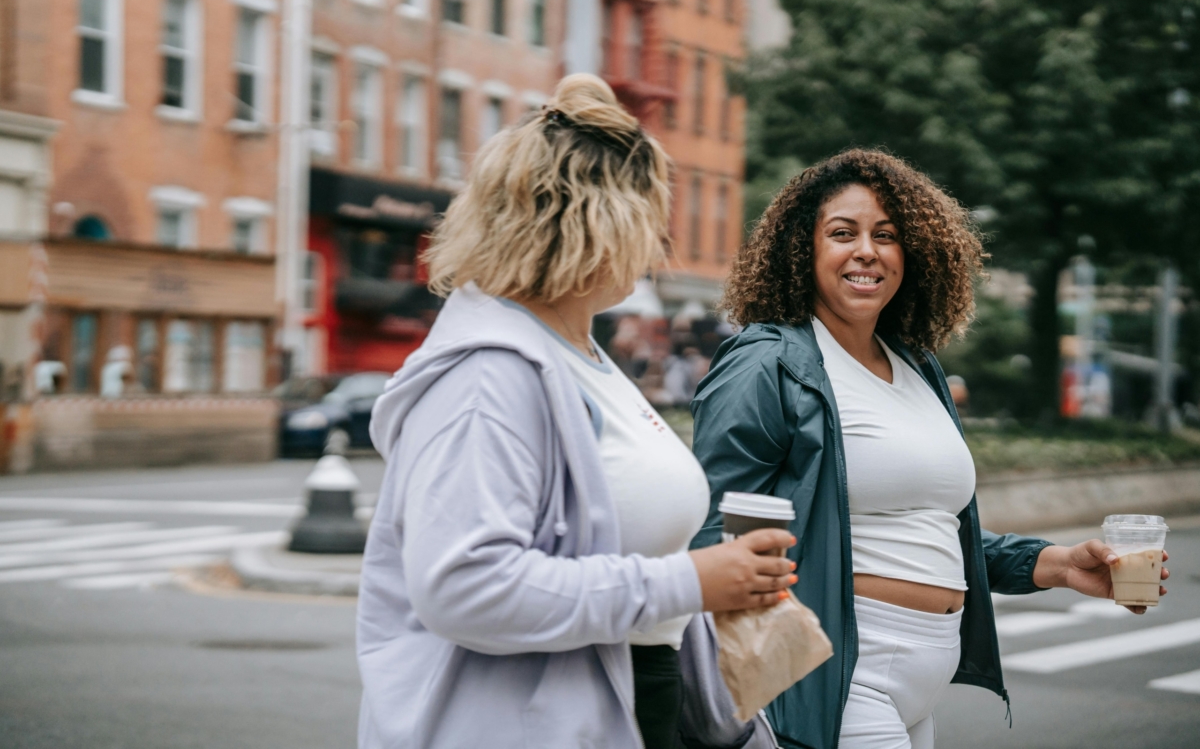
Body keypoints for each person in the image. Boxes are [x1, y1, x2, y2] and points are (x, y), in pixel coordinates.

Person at [356, 74, 796, 749]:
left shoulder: (576, 353)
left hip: (627, 701)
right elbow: (466, 588)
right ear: (598, 226)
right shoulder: (489, 373)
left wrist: (714, 585)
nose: (657, 249)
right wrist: (687, 580)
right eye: (653, 224)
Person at [689, 149, 1171, 749]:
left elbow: (935, 528)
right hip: (837, 671)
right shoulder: (768, 362)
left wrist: (1060, 565)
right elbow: (711, 526)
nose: (867, 250)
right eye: (843, 233)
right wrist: (757, 678)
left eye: (886, 236)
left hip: (923, 681)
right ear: (802, 249)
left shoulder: (916, 365)